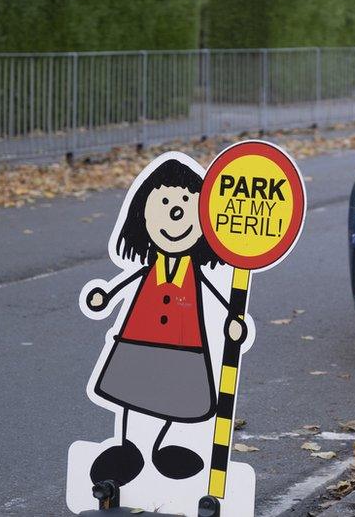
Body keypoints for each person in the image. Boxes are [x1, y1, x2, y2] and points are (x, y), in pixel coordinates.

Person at [82, 158, 244, 486]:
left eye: (186, 203)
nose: (175, 212)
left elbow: (214, 293)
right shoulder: (150, 267)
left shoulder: (193, 273)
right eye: (166, 202)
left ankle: (161, 449)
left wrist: (232, 319)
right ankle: (127, 448)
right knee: (131, 392)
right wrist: (105, 297)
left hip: (184, 346)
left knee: (175, 396)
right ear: (143, 215)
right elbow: (127, 282)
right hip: (138, 339)